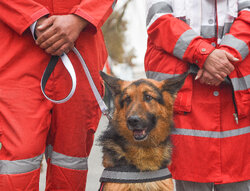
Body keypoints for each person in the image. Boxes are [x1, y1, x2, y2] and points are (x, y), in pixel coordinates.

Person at [0, 0, 117, 190]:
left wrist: (80, 18)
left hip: (80, 48)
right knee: (19, 162)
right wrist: (32, 19)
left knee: (70, 163)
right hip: (17, 50)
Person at [145, 0, 250, 190]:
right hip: (187, 105)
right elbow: (159, 20)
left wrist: (221, 58)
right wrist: (205, 55)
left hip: (235, 102)